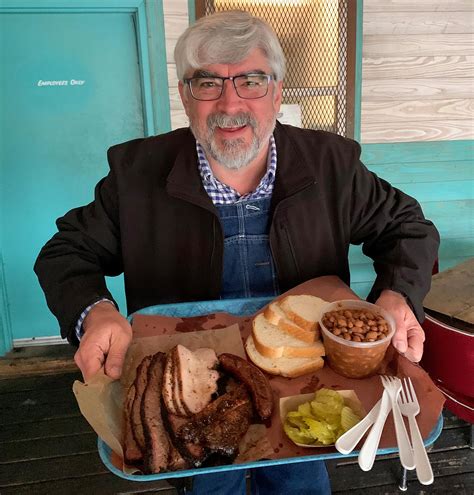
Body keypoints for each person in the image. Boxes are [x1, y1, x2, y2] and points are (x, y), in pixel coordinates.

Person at [34, 10, 439, 495]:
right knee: (209, 486)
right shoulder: (135, 172)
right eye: (207, 84)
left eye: (251, 81)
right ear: (185, 96)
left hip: (307, 385)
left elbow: (407, 228)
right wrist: (95, 311)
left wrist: (398, 294)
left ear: (277, 91)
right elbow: (66, 251)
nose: (231, 103)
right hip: (190, 388)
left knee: (298, 483)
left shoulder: (332, 163)